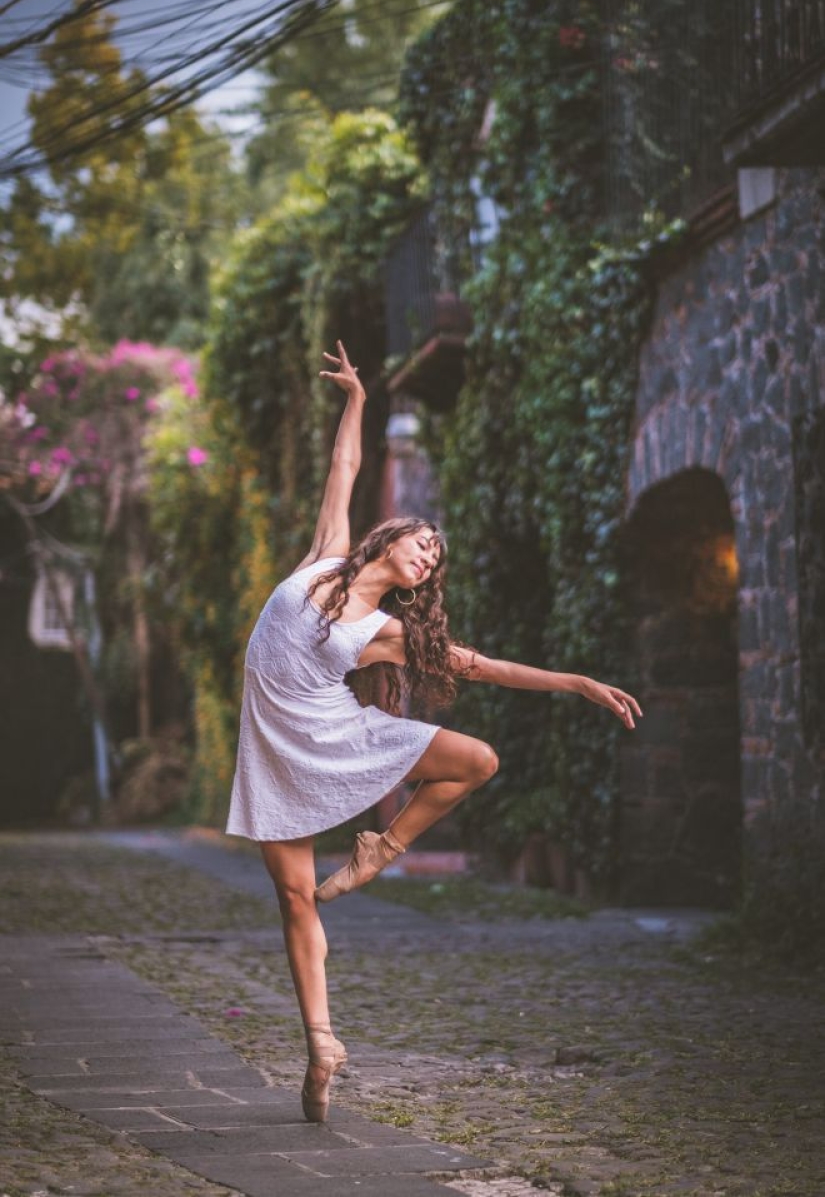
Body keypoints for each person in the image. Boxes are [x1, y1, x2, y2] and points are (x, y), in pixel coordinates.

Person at [225, 340, 642, 1124]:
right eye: (424, 543)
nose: (429, 558)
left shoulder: (385, 632)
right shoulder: (323, 560)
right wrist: (357, 399)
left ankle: (380, 851)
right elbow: (344, 467)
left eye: (436, 559)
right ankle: (321, 1044)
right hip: (274, 750)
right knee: (293, 900)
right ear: (390, 537)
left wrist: (576, 682)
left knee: (475, 759)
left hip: (335, 733)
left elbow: (482, 666)